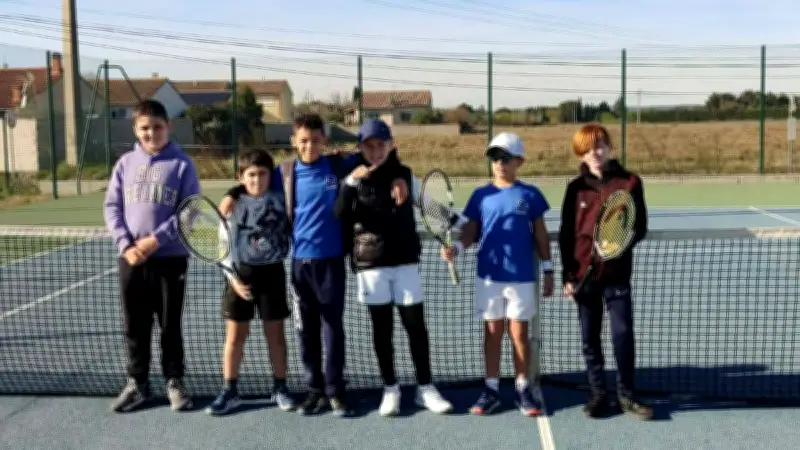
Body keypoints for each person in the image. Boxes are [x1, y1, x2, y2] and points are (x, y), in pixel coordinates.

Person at [220, 114, 409, 417]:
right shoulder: (284, 173)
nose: (310, 145)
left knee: (332, 328)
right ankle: (314, 389)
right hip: (299, 265)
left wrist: (399, 176)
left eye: (316, 140)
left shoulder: (338, 165)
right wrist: (233, 192)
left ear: (325, 140)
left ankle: (335, 391)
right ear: (294, 141)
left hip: (332, 263)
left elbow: (381, 156)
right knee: (305, 331)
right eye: (303, 140)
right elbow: (254, 182)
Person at [334, 119, 453, 417]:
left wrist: (460, 225)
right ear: (360, 147)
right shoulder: (350, 177)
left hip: (405, 261)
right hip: (370, 263)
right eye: (369, 146)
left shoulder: (404, 175)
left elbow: (431, 207)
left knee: (416, 327)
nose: (375, 151)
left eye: (380, 145)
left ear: (391, 145)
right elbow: (339, 214)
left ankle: (425, 388)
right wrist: (351, 183)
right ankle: (391, 389)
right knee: (381, 330)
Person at [441, 132, 554, 417]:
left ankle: (522, 388)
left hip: (522, 278)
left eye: (505, 158)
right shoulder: (481, 195)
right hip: (489, 277)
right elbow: (471, 231)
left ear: (520, 161)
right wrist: (456, 246)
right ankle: (491, 389)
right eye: (494, 158)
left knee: (519, 334)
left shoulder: (530, 195)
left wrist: (549, 268)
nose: (499, 163)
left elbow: (540, 234)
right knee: (492, 334)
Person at [103, 99, 201, 413]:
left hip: (170, 259)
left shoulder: (182, 165)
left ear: (167, 127)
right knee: (135, 324)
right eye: (145, 128)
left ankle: (174, 381)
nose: (151, 133)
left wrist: (155, 241)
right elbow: (112, 207)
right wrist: (126, 245)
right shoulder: (124, 164)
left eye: (157, 127)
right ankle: (138, 383)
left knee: (170, 324)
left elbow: (191, 211)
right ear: (136, 129)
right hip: (131, 259)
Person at [559, 123, 652, 420]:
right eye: (587, 149)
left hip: (617, 276)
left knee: (623, 335)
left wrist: (615, 244)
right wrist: (567, 275)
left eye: (599, 146)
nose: (594, 153)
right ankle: (598, 393)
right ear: (581, 154)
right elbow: (566, 234)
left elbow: (639, 228)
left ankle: (627, 395)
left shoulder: (630, 183)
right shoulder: (575, 189)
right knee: (590, 338)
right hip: (584, 278)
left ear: (610, 147)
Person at [205, 149, 295, 415]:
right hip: (241, 275)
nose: (257, 180)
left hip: (273, 274)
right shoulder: (233, 204)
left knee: (276, 336)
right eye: (251, 175)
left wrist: (232, 190)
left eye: (262, 173)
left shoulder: (282, 197)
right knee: (235, 337)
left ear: (271, 175)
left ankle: (280, 387)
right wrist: (232, 278)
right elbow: (223, 244)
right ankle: (230, 390)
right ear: (241, 176)